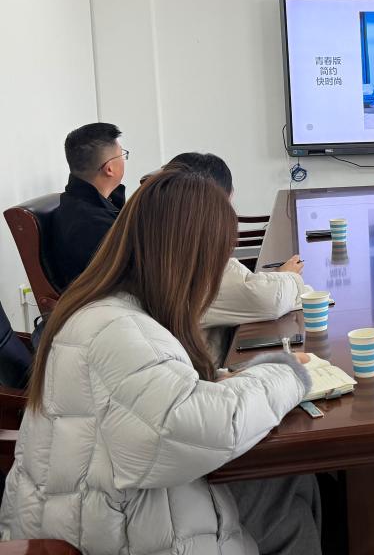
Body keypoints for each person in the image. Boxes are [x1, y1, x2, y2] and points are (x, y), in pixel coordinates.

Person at [0, 169, 322, 554]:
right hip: (104, 530)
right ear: (190, 257)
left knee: (295, 480)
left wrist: (224, 380)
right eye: (218, 258)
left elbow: (154, 399)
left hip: (102, 505)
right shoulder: (116, 328)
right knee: (289, 496)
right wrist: (288, 373)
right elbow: (195, 426)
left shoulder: (111, 307)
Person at [163, 153, 306, 359]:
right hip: (207, 375)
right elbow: (268, 298)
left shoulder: (162, 248)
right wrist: (289, 275)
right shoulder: (198, 266)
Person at [49, 122, 127, 290]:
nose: (124, 159)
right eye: (122, 155)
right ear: (109, 169)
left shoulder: (84, 202)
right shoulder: (92, 224)